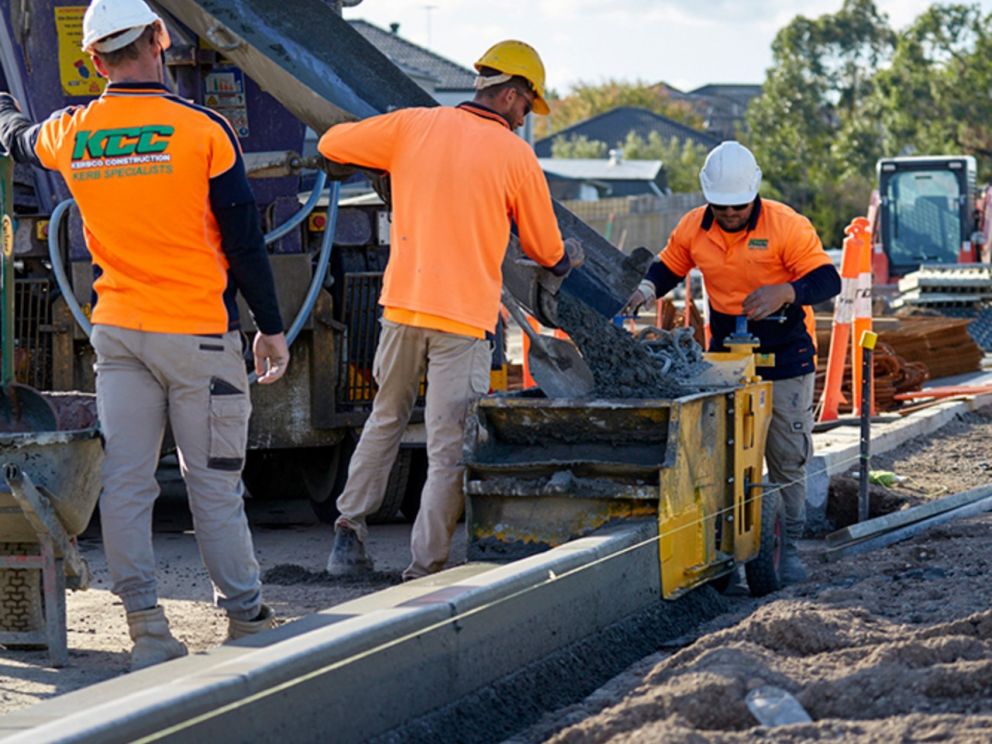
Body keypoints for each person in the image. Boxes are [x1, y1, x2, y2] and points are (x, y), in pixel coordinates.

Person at [0, 0, 290, 669]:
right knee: (213, 484)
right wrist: (270, 329)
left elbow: (20, 136)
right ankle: (247, 624)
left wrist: (3, 111)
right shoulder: (203, 131)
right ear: (161, 39)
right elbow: (244, 243)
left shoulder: (74, 131)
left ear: (92, 61)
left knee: (128, 485)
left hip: (119, 337)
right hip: (199, 339)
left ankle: (149, 634)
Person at [318, 39, 583, 581]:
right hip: (461, 323)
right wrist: (567, 258)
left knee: (384, 419)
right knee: (446, 446)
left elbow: (332, 142)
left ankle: (348, 534)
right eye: (527, 107)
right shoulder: (514, 156)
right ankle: (425, 567)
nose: (525, 118)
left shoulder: (414, 126)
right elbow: (545, 248)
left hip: (400, 309)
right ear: (511, 95)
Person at [626, 141, 840, 584]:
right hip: (726, 351)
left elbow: (826, 278)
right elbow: (670, 264)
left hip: (785, 349)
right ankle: (723, 545)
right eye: (721, 208)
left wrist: (786, 291)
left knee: (785, 454)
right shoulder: (694, 227)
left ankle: (789, 545)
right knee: (722, 452)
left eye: (738, 207)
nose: (729, 215)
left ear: (753, 195)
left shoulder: (785, 225)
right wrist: (646, 291)